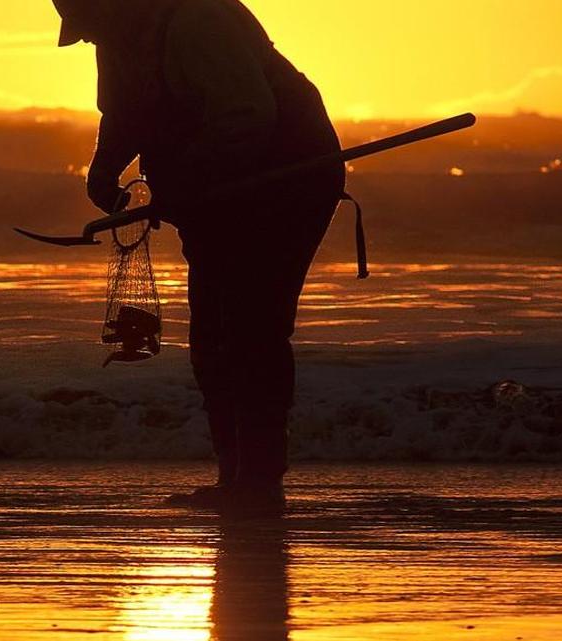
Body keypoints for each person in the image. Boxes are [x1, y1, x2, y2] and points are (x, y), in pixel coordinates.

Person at [53, 0, 345, 510]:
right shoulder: (115, 35)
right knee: (211, 333)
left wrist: (187, 177)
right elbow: (122, 113)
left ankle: (259, 482)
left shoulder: (199, 21)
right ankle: (234, 476)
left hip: (288, 180)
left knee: (254, 326)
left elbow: (247, 115)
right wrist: (103, 169)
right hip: (213, 191)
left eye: (90, 25)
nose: (90, 39)